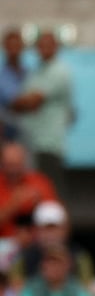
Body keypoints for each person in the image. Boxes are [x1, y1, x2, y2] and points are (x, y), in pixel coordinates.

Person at [7, 33, 73, 193]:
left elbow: (31, 101)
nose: (44, 49)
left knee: (50, 191)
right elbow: (22, 101)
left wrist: (22, 102)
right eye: (40, 45)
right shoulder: (37, 71)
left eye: (48, 45)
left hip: (48, 143)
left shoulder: (59, 71)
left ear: (56, 47)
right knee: (33, 190)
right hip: (31, 142)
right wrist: (22, 102)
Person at [0, 142, 57, 239]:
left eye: (17, 165)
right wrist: (14, 204)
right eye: (9, 165)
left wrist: (40, 204)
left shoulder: (39, 182)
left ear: (24, 163)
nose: (13, 170)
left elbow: (57, 220)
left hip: (36, 243)